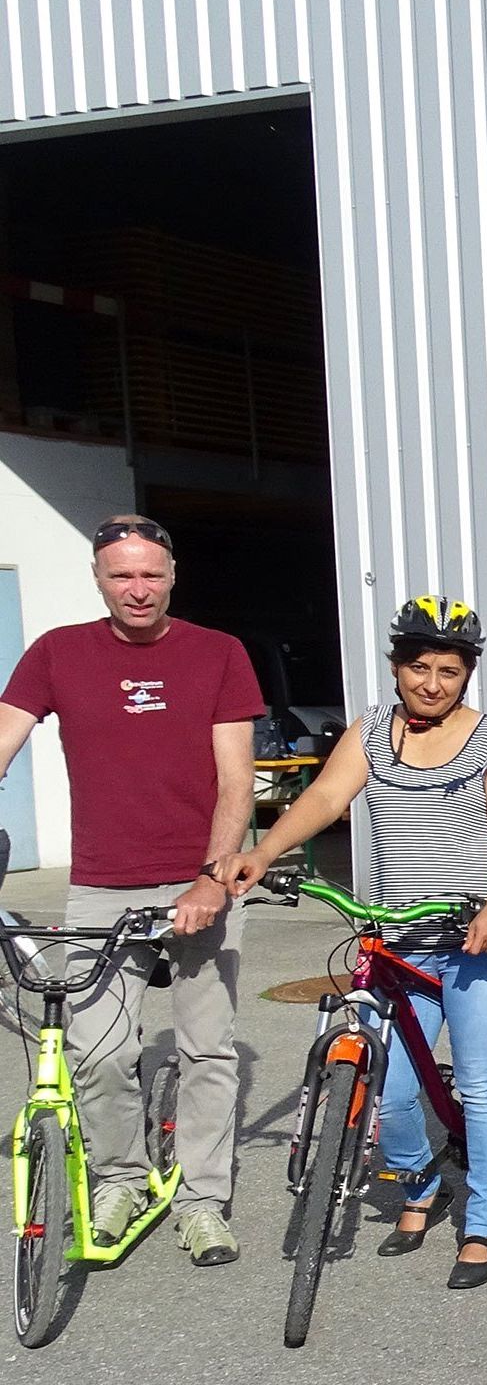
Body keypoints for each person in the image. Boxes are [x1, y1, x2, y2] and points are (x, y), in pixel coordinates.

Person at [228, 597, 487, 1290]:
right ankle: (423, 1183)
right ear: (398, 666)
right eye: (421, 667)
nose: (433, 683)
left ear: (467, 677)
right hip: (400, 936)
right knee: (388, 1089)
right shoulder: (371, 731)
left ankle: (485, 1224)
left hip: (480, 936)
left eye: (450, 671)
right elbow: (325, 799)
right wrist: (265, 850)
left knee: (485, 1084)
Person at [0, 514, 263, 1265]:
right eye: (122, 576)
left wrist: (213, 878)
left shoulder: (218, 654)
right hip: (101, 884)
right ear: (98, 578)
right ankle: (119, 1178)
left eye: (151, 574)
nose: (138, 589)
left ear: (173, 575)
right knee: (100, 1052)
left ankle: (203, 1200)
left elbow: (236, 778)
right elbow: (4, 736)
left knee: (208, 1051)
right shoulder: (56, 652)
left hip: (198, 879)